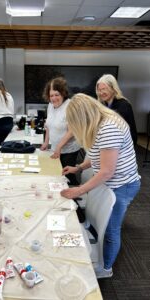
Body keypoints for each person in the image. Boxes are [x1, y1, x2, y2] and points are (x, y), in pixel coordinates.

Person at [60, 93, 140, 278]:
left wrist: (79, 190)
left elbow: (106, 171)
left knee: (112, 229)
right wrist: (78, 167)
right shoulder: (98, 124)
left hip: (122, 184)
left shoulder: (108, 128)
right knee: (102, 222)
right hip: (110, 181)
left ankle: (106, 269)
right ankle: (100, 253)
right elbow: (99, 158)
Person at [40, 77, 80, 186]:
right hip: (56, 148)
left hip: (68, 150)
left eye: (57, 94)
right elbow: (49, 125)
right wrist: (46, 142)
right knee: (56, 176)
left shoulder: (70, 106)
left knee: (67, 178)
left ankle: (74, 197)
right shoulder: (50, 105)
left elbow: (71, 131)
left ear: (63, 93)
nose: (54, 98)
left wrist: (59, 147)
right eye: (51, 95)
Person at [96, 74, 137, 145]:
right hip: (109, 142)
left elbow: (115, 130)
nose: (101, 93)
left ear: (113, 89)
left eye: (104, 89)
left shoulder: (124, 105)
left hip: (123, 145)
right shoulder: (103, 104)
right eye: (99, 90)